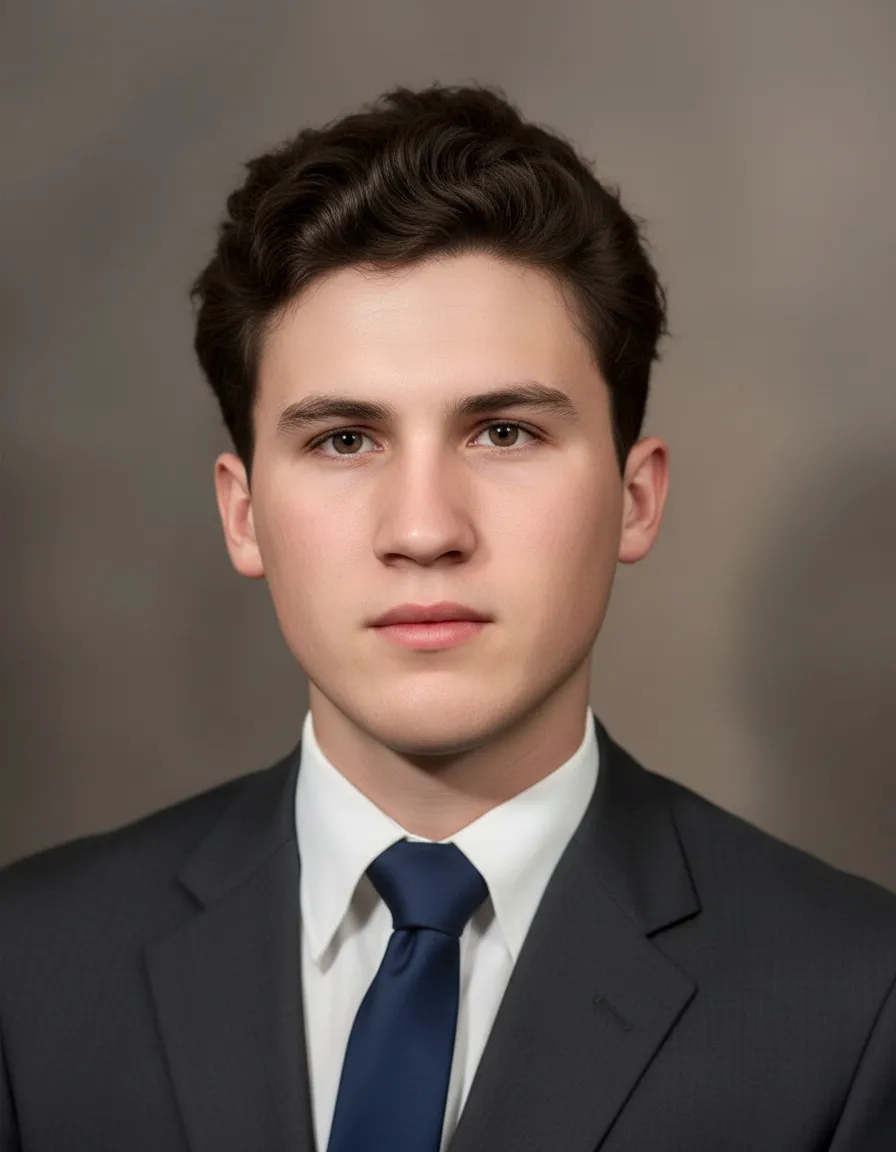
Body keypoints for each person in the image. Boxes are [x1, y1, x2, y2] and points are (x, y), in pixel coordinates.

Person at [1, 81, 895, 1152]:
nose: (423, 530)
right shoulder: (25, 972)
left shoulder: (858, 1003)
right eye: (343, 440)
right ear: (243, 516)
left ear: (635, 498)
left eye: (504, 433)